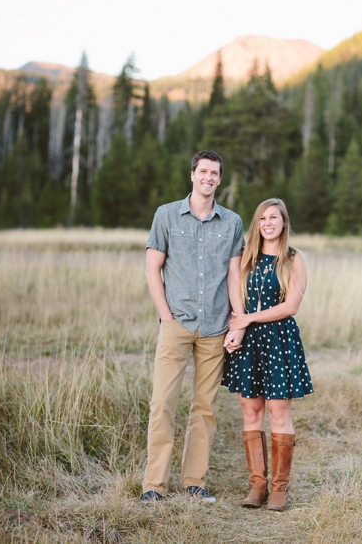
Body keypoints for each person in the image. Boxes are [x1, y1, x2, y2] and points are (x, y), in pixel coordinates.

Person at [140, 150, 245, 504]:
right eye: (203, 171)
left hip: (216, 327)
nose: (209, 178)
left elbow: (233, 275)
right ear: (192, 175)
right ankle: (154, 486)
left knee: (205, 408)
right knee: (162, 403)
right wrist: (166, 317)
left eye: (215, 173)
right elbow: (152, 268)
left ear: (219, 179)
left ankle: (194, 483)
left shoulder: (232, 222)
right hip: (177, 324)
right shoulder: (166, 215)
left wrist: (238, 321)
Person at [222, 198, 314, 511]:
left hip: (279, 339)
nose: (268, 223)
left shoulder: (294, 258)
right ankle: (257, 486)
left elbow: (291, 307)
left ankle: (279, 490)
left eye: (273, 217)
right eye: (262, 218)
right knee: (251, 411)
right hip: (248, 342)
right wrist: (238, 325)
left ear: (284, 222)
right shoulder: (246, 257)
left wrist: (247, 319)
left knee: (278, 411)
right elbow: (234, 289)